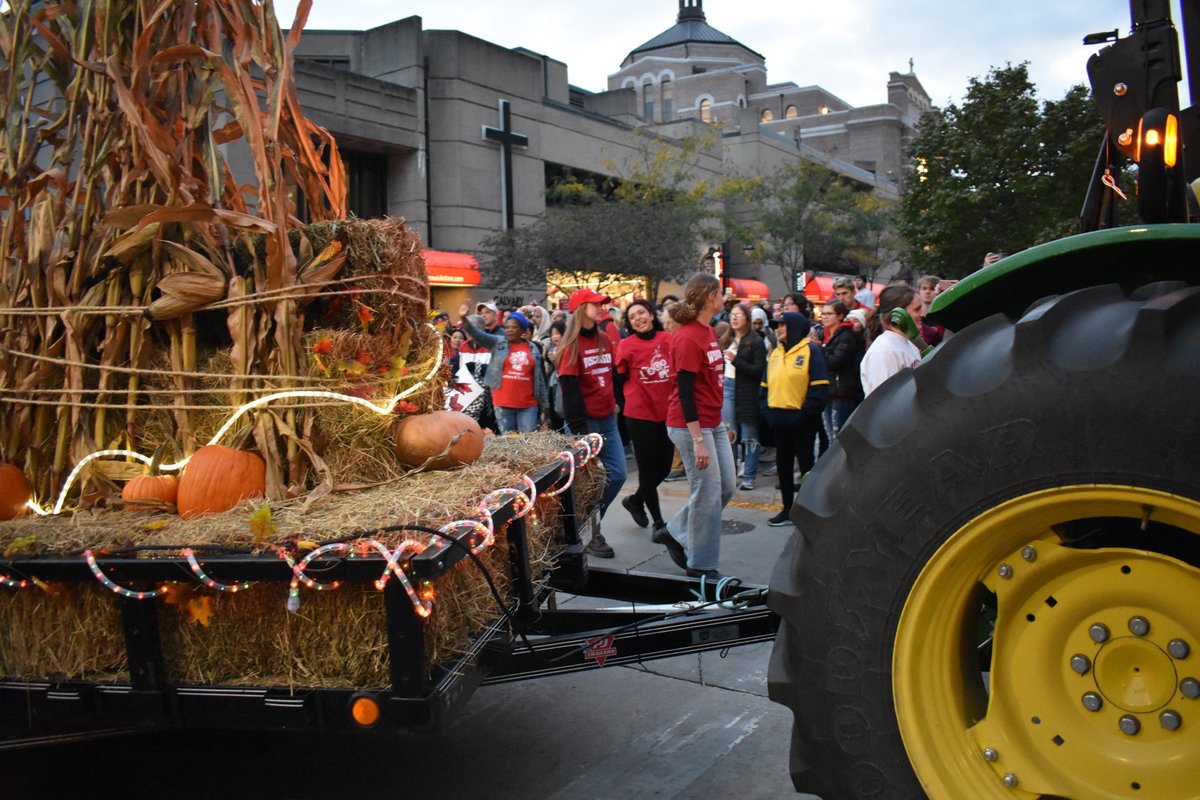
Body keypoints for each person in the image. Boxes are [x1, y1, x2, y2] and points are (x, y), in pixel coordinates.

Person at [657, 273, 736, 579]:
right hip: (692, 426)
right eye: (720, 293)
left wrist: (718, 424)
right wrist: (698, 440)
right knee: (707, 490)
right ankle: (701, 564)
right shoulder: (688, 337)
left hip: (712, 422)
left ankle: (674, 531)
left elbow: (709, 384)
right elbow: (686, 391)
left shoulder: (707, 331)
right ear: (708, 297)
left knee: (725, 487)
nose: (723, 298)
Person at [556, 288, 627, 558]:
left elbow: (612, 375)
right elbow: (569, 390)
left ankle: (584, 524)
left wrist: (616, 401)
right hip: (584, 424)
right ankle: (591, 533)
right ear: (580, 308)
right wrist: (581, 433)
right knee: (589, 483)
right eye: (595, 304)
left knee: (618, 475)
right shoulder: (570, 346)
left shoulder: (605, 339)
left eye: (602, 304)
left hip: (607, 419)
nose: (601, 308)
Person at [761, 311, 828, 527]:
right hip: (779, 421)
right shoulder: (775, 354)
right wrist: (769, 415)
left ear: (796, 328)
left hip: (803, 421)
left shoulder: (811, 351)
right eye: (777, 325)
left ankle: (809, 509)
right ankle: (787, 509)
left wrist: (803, 415)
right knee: (783, 465)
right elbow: (763, 389)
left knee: (807, 466)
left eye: (783, 325)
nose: (779, 329)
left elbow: (819, 390)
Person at [615, 300, 674, 537]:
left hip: (667, 413)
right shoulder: (626, 345)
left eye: (641, 313)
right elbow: (618, 380)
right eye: (632, 317)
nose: (638, 318)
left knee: (665, 468)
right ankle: (658, 523)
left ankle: (635, 500)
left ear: (651, 315)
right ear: (629, 323)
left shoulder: (668, 339)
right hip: (639, 415)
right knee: (648, 470)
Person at [458, 302, 547, 434]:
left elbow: (539, 378)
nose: (509, 330)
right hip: (503, 404)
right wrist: (463, 319)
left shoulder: (533, 348)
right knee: (508, 442)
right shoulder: (498, 343)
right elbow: (478, 335)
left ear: (523, 330)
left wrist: (545, 406)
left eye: (514, 327)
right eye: (507, 327)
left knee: (528, 443)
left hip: (528, 405)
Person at [723, 303, 767, 490]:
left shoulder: (755, 341)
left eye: (739, 315)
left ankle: (749, 475)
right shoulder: (726, 339)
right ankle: (730, 474)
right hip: (727, 387)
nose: (734, 318)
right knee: (728, 434)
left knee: (749, 434)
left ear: (747, 319)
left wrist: (736, 360)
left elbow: (758, 370)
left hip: (747, 390)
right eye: (732, 314)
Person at [860, 283, 925, 396]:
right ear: (898, 314)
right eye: (917, 309)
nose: (922, 314)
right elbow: (885, 400)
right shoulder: (884, 351)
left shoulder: (907, 344)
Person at [820, 300, 864, 437]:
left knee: (838, 435)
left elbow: (835, 362)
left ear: (840, 316)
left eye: (829, 313)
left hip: (841, 391)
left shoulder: (846, 336)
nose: (824, 317)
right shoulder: (826, 335)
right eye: (823, 313)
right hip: (828, 389)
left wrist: (819, 350)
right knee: (830, 433)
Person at [917, 275, 945, 347]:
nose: (927, 292)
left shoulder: (942, 317)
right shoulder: (915, 317)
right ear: (918, 291)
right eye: (924, 288)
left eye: (932, 289)